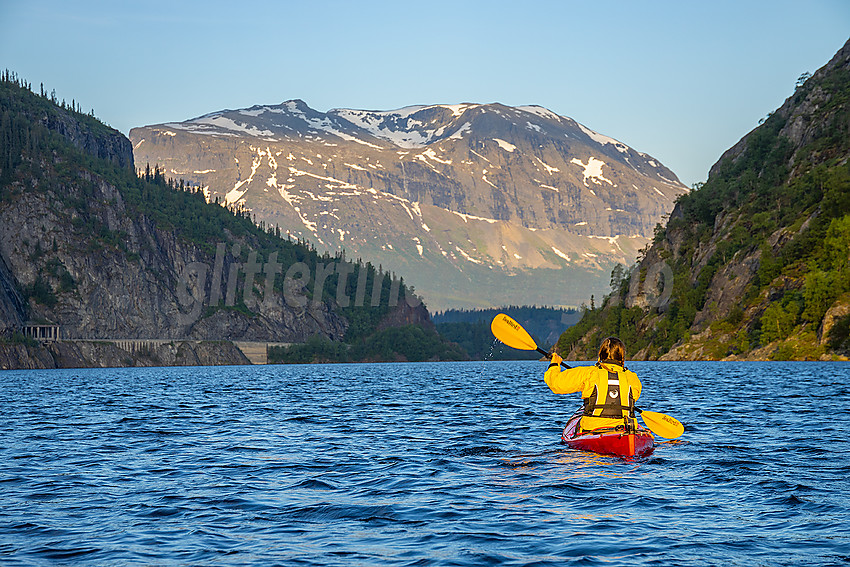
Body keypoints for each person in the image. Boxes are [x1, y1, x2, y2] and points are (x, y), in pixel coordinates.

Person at [544, 337, 642, 433]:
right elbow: (633, 397)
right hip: (625, 428)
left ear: (600, 356)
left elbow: (556, 384)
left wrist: (554, 364)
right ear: (622, 359)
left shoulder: (589, 373)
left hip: (593, 428)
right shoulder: (633, 378)